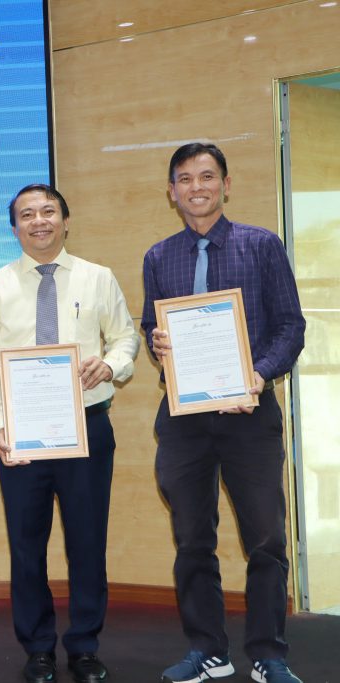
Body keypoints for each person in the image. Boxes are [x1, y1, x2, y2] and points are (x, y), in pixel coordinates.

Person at [141, 143, 305, 683]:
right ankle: (209, 650)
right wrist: (158, 341)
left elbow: (291, 326)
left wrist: (258, 374)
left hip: (249, 412)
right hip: (184, 419)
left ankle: (268, 654)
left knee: (266, 540)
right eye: (185, 179)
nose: (197, 187)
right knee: (192, 539)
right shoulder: (158, 257)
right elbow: (151, 325)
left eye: (207, 176)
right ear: (172, 191)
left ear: (226, 185)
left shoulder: (261, 246)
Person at [0, 184, 138, 683]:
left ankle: (84, 646)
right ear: (14, 226)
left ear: (65, 220)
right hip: (21, 433)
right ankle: (37, 647)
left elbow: (125, 337)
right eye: (27, 214)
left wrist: (110, 365)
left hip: (87, 427)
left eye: (48, 211)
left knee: (88, 542)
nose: (38, 221)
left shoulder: (97, 277)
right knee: (26, 546)